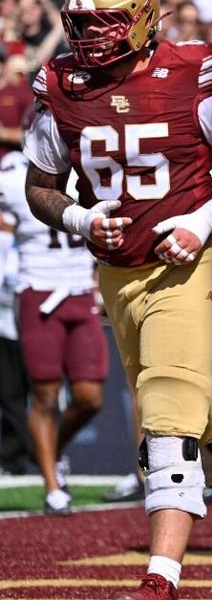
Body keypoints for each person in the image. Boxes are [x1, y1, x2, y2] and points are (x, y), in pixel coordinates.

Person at [23, 0, 212, 600]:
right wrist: (79, 218)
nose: (90, 36)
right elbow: (41, 185)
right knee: (190, 419)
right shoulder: (62, 85)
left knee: (166, 419)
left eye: (107, 22)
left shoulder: (191, 73)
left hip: (192, 262)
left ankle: (161, 578)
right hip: (119, 273)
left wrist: (205, 220)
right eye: (81, 23)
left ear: (146, 19)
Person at [0, 151, 103, 516]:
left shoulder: (92, 167)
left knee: (90, 397)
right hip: (37, 289)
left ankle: (51, 449)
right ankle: (52, 487)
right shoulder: (13, 176)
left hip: (80, 289)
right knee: (45, 394)